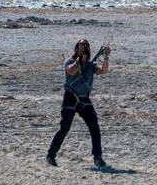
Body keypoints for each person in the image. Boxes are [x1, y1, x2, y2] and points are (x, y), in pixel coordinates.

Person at [46, 38, 110, 168]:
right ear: (77, 48)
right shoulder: (69, 61)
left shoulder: (91, 66)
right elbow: (71, 71)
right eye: (82, 45)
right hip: (70, 97)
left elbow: (103, 71)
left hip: (84, 99)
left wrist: (107, 58)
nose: (84, 46)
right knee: (65, 128)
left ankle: (98, 157)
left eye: (86, 45)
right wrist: (79, 60)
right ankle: (51, 155)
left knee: (94, 128)